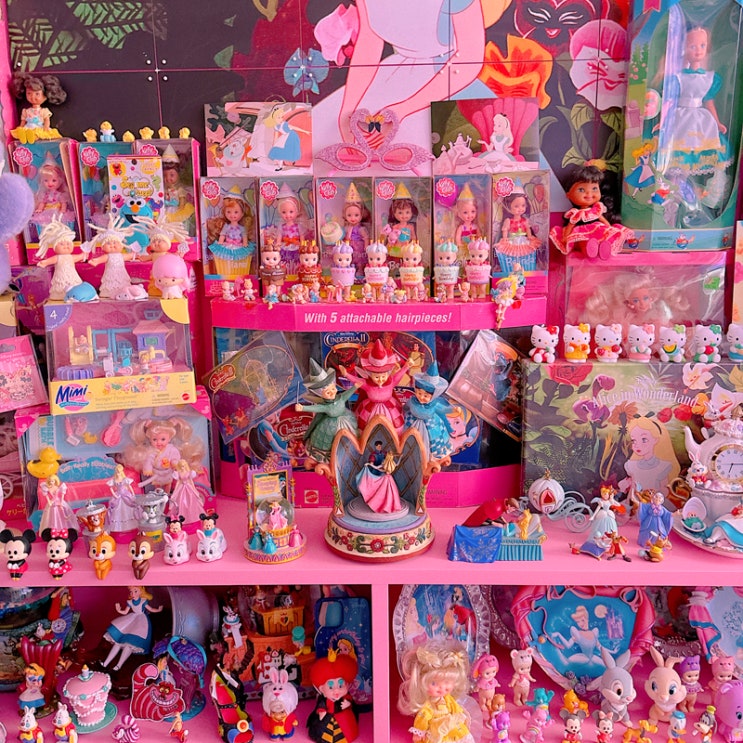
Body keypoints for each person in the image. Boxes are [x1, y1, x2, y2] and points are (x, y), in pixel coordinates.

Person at [398, 640, 475, 743]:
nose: (441, 688)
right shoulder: (428, 706)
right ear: (423, 683)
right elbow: (423, 719)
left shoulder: (448, 700)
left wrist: (460, 717)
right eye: (434, 683)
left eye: (447, 682)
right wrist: (419, 732)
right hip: (436, 732)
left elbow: (455, 709)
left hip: (452, 729)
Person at [549, 165, 633, 260]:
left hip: (597, 229)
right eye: (581, 190)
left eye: (594, 189)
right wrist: (565, 237)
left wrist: (610, 229)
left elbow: (603, 220)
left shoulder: (596, 209)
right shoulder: (576, 213)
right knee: (583, 241)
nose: (589, 194)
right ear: (568, 194)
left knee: (604, 236)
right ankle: (588, 249)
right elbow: (571, 224)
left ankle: (603, 248)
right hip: (582, 231)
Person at [295, 360, 360, 466]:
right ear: (321, 395)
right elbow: (317, 408)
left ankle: (352, 453)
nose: (332, 393)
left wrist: (355, 387)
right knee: (327, 439)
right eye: (328, 392)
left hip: (346, 420)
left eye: (333, 389)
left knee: (353, 435)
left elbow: (347, 394)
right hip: (330, 426)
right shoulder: (326, 406)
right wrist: (303, 408)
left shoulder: (340, 398)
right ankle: (328, 458)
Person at [102, 585, 163, 671]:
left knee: (129, 646)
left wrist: (158, 610)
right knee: (117, 643)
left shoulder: (143, 601)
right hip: (131, 620)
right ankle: (105, 663)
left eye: (135, 591)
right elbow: (125, 612)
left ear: (141, 592)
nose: (132, 594)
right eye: (131, 592)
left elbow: (151, 609)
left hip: (141, 621)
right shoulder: (130, 602)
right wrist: (119, 610)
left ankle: (118, 665)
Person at [618, 417, 681, 497]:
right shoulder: (632, 465)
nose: (637, 445)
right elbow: (632, 490)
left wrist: (655, 499)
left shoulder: (662, 466)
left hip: (655, 501)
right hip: (637, 501)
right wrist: (628, 501)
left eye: (644, 440)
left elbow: (664, 490)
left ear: (655, 440)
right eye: (634, 441)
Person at [404, 363, 455, 459]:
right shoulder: (412, 401)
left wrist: (454, 409)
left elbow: (443, 409)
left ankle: (428, 457)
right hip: (410, 422)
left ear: (433, 395)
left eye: (426, 396)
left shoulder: (434, 405)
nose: (421, 397)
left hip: (431, 426)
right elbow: (405, 408)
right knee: (407, 439)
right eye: (419, 393)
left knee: (431, 440)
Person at [307, 650, 359, 743]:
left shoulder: (346, 698)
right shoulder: (324, 700)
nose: (336, 690)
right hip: (327, 720)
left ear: (347, 685)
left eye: (340, 685)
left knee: (347, 732)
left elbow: (352, 704)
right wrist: (321, 711)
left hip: (345, 721)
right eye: (330, 687)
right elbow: (321, 705)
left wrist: (348, 704)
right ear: (322, 689)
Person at [355, 446, 403, 514]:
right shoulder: (389, 463)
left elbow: (377, 467)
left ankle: (388, 505)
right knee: (387, 492)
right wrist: (369, 464)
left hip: (387, 479)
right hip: (388, 478)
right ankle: (386, 505)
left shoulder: (388, 463)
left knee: (389, 492)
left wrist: (369, 464)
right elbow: (396, 464)